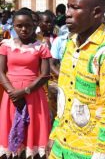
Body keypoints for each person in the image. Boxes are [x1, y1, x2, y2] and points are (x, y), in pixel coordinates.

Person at [48, 0, 105, 159]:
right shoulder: (70, 44)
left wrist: (100, 152)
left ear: (96, 13)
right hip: (61, 145)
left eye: (75, 7)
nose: (67, 13)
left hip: (88, 151)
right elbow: (64, 97)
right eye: (68, 7)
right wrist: (54, 135)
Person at [0, 9, 51, 158]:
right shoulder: (5, 45)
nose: (24, 29)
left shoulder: (41, 47)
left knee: (32, 134)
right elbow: (1, 71)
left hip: (33, 95)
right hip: (11, 96)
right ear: (13, 26)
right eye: (19, 25)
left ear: (34, 25)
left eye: (28, 25)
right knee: (10, 135)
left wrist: (23, 92)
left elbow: (45, 75)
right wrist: (12, 92)